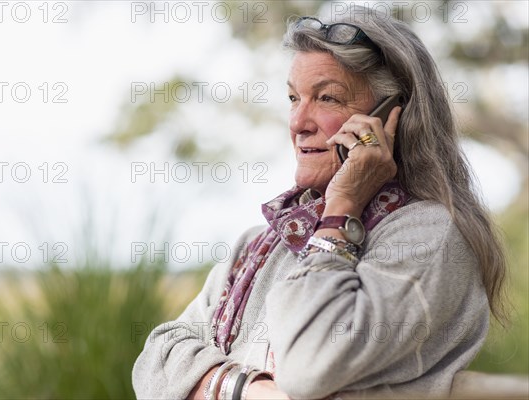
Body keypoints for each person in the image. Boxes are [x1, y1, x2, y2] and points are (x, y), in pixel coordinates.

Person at [132, 5, 507, 399]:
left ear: (392, 116)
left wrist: (342, 207)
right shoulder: (258, 245)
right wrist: (250, 389)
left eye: (327, 98)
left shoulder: (431, 236)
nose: (298, 122)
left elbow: (307, 367)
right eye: (294, 98)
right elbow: (155, 361)